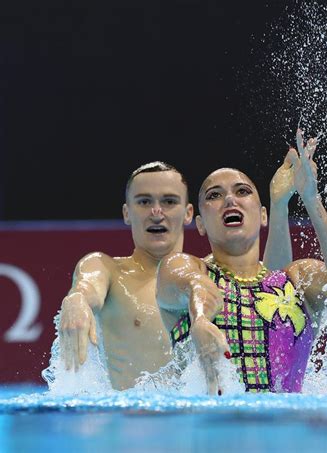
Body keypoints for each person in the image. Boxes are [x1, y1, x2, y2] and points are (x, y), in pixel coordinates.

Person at [57, 160, 295, 390]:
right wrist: (76, 299)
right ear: (127, 212)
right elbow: (87, 286)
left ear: (189, 213)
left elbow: (273, 291)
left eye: (169, 201)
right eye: (144, 202)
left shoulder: (210, 279)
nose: (156, 212)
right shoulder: (108, 269)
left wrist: (280, 205)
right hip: (136, 424)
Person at [156, 130, 327, 395]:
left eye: (242, 191)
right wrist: (201, 319)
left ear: (263, 215)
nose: (229, 199)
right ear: (200, 224)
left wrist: (310, 199)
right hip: (210, 431)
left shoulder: (297, 280)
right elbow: (196, 286)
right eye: (214, 195)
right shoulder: (186, 267)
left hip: (288, 431)